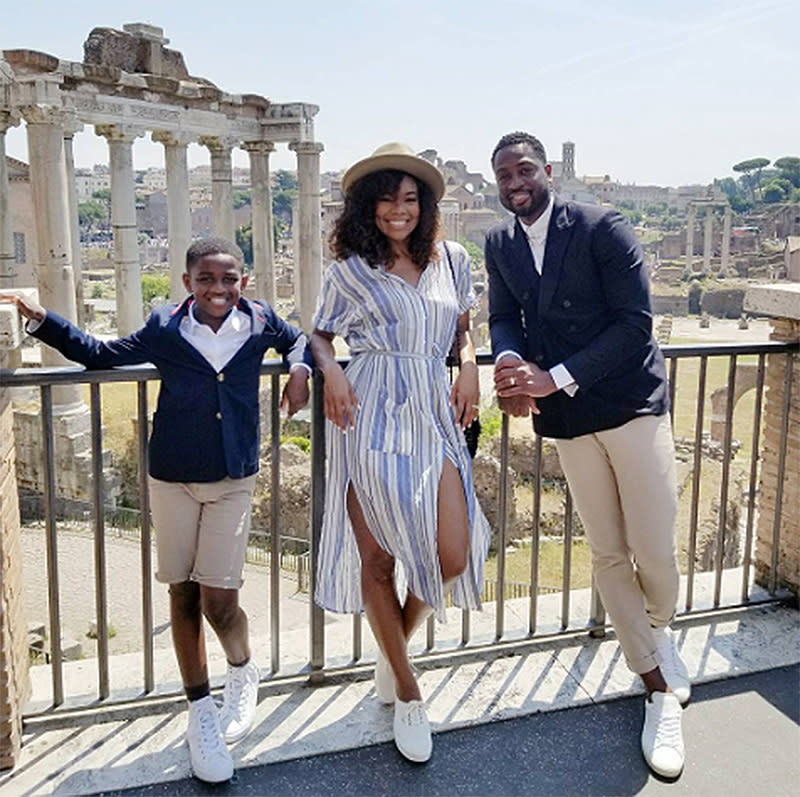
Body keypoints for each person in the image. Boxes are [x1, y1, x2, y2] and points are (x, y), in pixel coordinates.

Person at [1, 238, 311, 784]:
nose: (220, 289)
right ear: (189, 282)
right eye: (208, 279)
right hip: (171, 477)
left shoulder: (260, 319)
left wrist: (301, 369)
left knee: (221, 600)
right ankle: (199, 712)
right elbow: (100, 354)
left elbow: (299, 339)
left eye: (230, 279)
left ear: (244, 280)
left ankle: (241, 669)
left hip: (233, 478)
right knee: (182, 594)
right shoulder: (165, 326)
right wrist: (41, 318)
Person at [485, 132, 690, 778]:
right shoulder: (498, 243)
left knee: (654, 547)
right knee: (606, 550)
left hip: (629, 404)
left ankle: (657, 627)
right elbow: (501, 318)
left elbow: (635, 325)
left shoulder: (603, 226)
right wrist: (512, 361)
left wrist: (556, 375)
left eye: (524, 170)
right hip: (569, 421)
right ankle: (656, 683)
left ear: (546, 170)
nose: (515, 182)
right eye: (503, 175)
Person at [310, 142, 491, 763]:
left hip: (433, 410)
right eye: (387, 198)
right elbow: (320, 333)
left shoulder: (452, 259)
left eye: (411, 198)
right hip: (370, 408)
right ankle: (408, 693)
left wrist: (468, 368)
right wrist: (332, 372)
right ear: (368, 205)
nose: (399, 210)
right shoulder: (349, 270)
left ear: (426, 205)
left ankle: (393, 650)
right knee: (379, 560)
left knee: (450, 553)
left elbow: (463, 328)